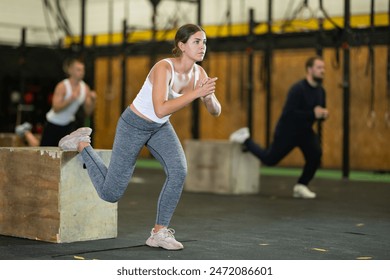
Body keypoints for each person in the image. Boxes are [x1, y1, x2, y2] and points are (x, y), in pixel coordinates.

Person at [58, 24, 221, 250]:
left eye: (204, 42)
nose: (202, 46)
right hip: (133, 125)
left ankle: (159, 233)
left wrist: (208, 97)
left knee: (179, 170)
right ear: (181, 46)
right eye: (196, 41)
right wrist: (196, 93)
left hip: (160, 128)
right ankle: (82, 143)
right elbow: (160, 108)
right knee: (110, 193)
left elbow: (215, 111)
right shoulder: (163, 68)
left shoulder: (199, 74)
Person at [230, 56, 328, 199]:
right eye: (319, 67)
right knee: (270, 160)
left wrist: (323, 115)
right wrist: (312, 113)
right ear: (309, 69)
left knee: (315, 155)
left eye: (323, 68)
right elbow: (289, 114)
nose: (322, 71)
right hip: (287, 130)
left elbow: (317, 114)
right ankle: (245, 139)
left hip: (305, 131)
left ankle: (301, 185)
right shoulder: (298, 89)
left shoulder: (321, 91)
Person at [38, 58, 96, 146]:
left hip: (68, 125)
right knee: (44, 150)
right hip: (53, 123)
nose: (82, 72)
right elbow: (56, 108)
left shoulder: (85, 88)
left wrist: (93, 101)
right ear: (70, 70)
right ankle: (26, 132)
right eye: (78, 69)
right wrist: (70, 99)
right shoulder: (62, 86)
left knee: (66, 152)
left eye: (83, 70)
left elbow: (88, 112)